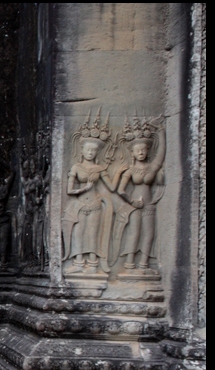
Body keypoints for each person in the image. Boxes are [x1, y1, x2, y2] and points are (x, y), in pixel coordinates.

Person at [62, 111, 121, 275]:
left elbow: (112, 188)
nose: (90, 153)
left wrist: (119, 173)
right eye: (88, 150)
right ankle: (78, 263)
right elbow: (69, 190)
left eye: (93, 151)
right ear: (82, 151)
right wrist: (85, 188)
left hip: (95, 205)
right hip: (80, 204)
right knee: (78, 234)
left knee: (93, 234)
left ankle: (93, 264)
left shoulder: (99, 168)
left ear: (97, 153)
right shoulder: (76, 167)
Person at [112, 116, 165, 274]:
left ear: (147, 150)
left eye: (143, 149)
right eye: (137, 150)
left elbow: (161, 154)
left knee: (149, 234)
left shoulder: (152, 167)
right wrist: (132, 201)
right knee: (134, 233)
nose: (141, 152)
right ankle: (129, 264)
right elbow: (120, 190)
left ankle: (143, 265)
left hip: (149, 204)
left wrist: (161, 131)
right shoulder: (130, 170)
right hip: (134, 205)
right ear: (132, 153)